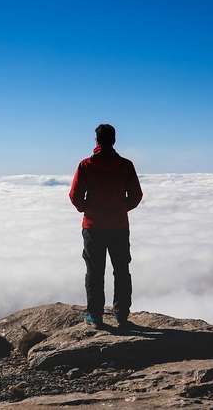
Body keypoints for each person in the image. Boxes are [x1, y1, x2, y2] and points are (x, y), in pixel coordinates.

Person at [69, 123, 143, 328]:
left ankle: (95, 316)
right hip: (119, 226)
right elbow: (136, 195)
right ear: (114, 140)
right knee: (121, 269)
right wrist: (120, 209)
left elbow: (74, 195)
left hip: (93, 226)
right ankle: (121, 314)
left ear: (96, 141)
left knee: (94, 271)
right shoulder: (125, 165)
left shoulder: (86, 165)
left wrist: (88, 209)